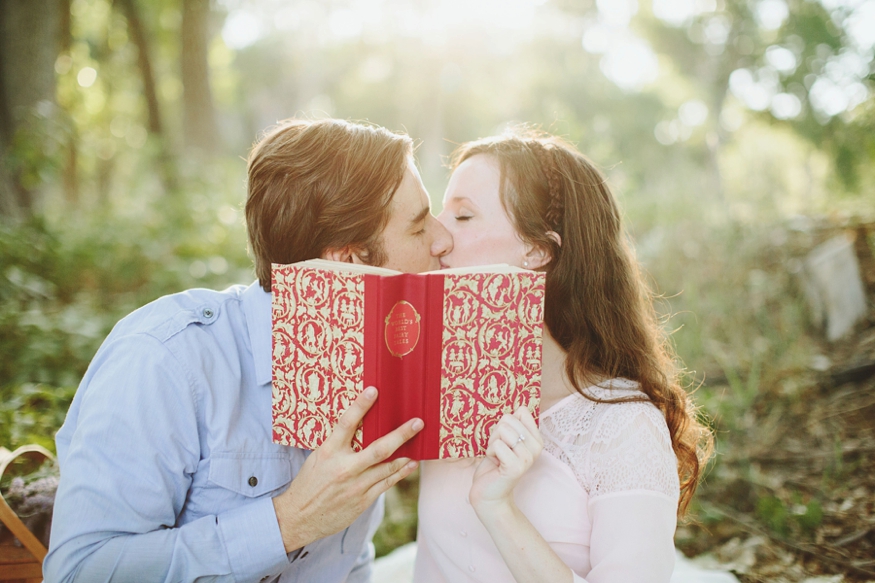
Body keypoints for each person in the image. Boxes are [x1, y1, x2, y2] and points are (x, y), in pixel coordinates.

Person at [44, 118, 453, 583]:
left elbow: (346, 565)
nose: (444, 240)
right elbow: (78, 572)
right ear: (349, 260)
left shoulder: (379, 369)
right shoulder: (165, 360)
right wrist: (288, 522)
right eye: (420, 228)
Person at [414, 128, 713, 583]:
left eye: (464, 216)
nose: (437, 237)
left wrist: (498, 509)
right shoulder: (432, 387)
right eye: (440, 213)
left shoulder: (622, 426)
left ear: (537, 251)